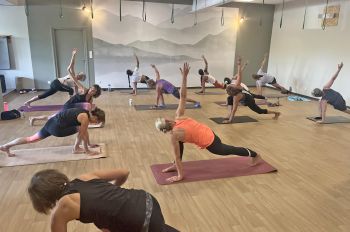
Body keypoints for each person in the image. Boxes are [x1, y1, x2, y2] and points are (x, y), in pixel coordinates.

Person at [154, 63, 261, 183]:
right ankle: (174, 166)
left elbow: (182, 96)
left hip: (210, 142)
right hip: (208, 132)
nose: (166, 117)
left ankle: (255, 155)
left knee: (230, 150)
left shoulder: (175, 128)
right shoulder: (178, 120)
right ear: (167, 121)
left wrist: (180, 176)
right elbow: (183, 97)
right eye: (164, 119)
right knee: (180, 143)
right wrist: (184, 77)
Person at [28, 168, 179, 232]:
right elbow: (124, 172)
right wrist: (113, 192)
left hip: (140, 220)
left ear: (43, 199)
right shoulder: (84, 177)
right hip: (146, 199)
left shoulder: (61, 209)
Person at [0, 107, 105, 157]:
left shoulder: (83, 111)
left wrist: (90, 144)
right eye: (97, 121)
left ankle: (6, 146)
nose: (96, 123)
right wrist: (87, 150)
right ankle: (76, 148)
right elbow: (82, 134)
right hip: (57, 129)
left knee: (30, 139)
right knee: (81, 130)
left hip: (51, 124)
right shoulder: (85, 118)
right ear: (94, 116)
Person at [225, 57, 280, 123]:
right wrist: (239, 65)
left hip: (249, 100)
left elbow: (234, 110)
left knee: (259, 111)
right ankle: (228, 114)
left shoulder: (236, 97)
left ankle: (276, 113)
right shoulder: (237, 85)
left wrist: (230, 120)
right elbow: (239, 74)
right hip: (245, 93)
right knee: (229, 98)